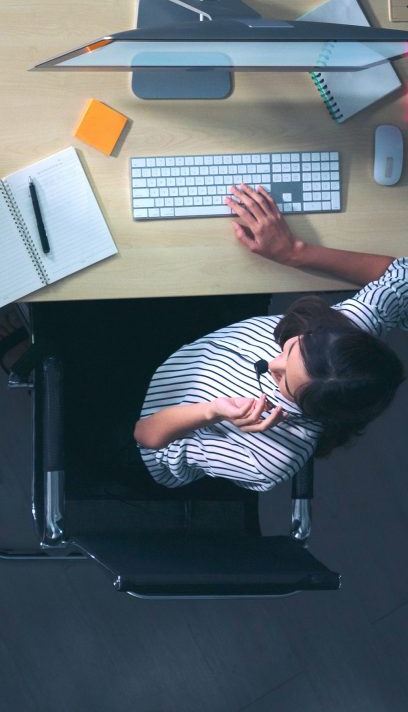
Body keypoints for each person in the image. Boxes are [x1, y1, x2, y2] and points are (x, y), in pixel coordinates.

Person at [134, 184, 406, 491]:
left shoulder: (269, 459)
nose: (271, 363)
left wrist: (212, 411)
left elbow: (147, 437)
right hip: (198, 346)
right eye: (291, 350)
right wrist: (294, 252)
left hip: (153, 419)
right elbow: (404, 274)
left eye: (283, 382)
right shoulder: (348, 327)